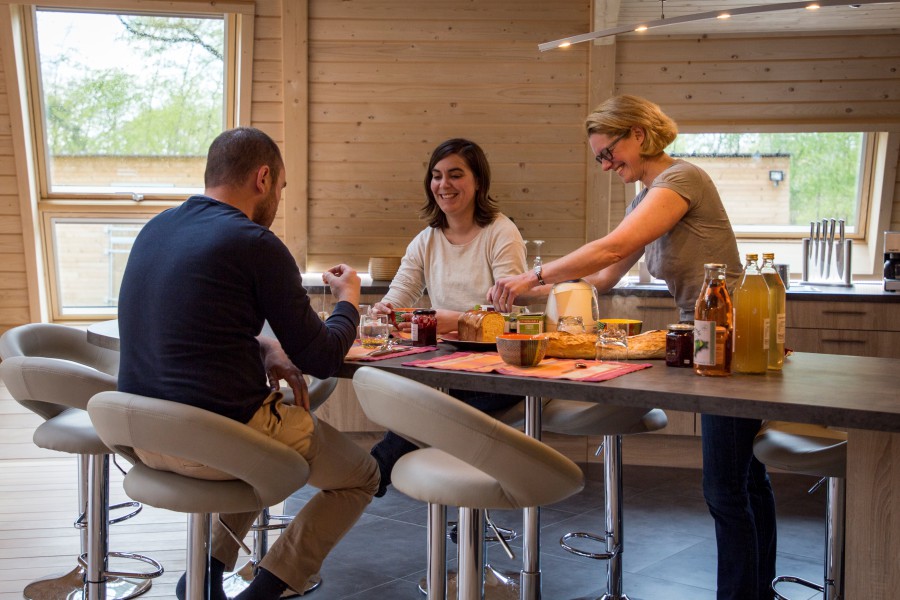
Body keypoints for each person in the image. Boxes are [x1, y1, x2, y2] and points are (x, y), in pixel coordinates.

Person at [487, 95, 776, 600]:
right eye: (599, 158)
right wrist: (537, 290)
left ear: (638, 135)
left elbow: (613, 247)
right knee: (743, 476)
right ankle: (757, 589)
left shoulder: (680, 180)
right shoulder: (647, 198)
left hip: (729, 331)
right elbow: (603, 274)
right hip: (705, 332)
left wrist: (534, 273)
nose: (605, 165)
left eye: (608, 154)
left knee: (726, 487)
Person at [117, 127, 380, 600]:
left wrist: (263, 344)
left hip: (140, 435)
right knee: (362, 475)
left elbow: (190, 322)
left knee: (259, 434)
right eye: (280, 187)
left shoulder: (156, 227)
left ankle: (203, 575)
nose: (278, 197)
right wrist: (349, 301)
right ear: (262, 177)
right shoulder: (255, 243)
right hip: (212, 442)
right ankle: (265, 591)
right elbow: (321, 356)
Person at [369, 138, 527, 497]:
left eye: (456, 175)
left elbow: (511, 319)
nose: (444, 185)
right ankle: (467, 497)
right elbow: (399, 296)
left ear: (479, 183)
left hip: (496, 368)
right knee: (432, 402)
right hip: (447, 366)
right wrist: (385, 311)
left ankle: (376, 470)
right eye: (437, 176)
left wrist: (453, 319)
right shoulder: (426, 239)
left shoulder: (501, 232)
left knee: (433, 406)